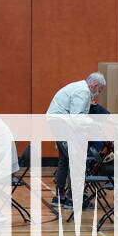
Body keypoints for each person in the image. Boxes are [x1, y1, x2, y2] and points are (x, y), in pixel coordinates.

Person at [45, 72, 106, 208]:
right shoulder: (83, 92)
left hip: (57, 124)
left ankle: (60, 197)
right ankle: (74, 199)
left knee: (65, 160)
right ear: (94, 85)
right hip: (62, 125)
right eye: (99, 90)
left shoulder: (79, 88)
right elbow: (77, 119)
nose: (98, 94)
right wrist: (95, 124)